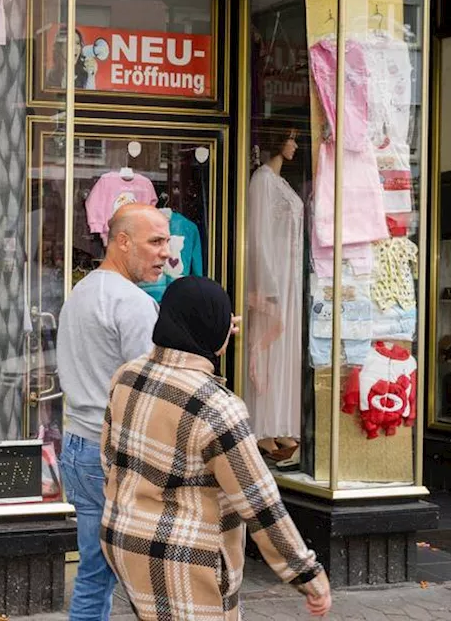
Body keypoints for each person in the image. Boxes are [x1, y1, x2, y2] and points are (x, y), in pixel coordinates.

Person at [100, 276, 331, 620]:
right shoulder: (217, 407)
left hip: (126, 541)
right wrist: (307, 575)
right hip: (188, 559)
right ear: (215, 331)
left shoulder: (128, 375)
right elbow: (260, 503)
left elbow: (110, 458)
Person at [56, 203, 171, 621]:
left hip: (77, 447)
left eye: (166, 241)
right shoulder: (134, 304)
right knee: (154, 579)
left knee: (93, 574)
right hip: (115, 455)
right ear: (122, 241)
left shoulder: (83, 291)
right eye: (155, 241)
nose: (166, 253)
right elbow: (153, 392)